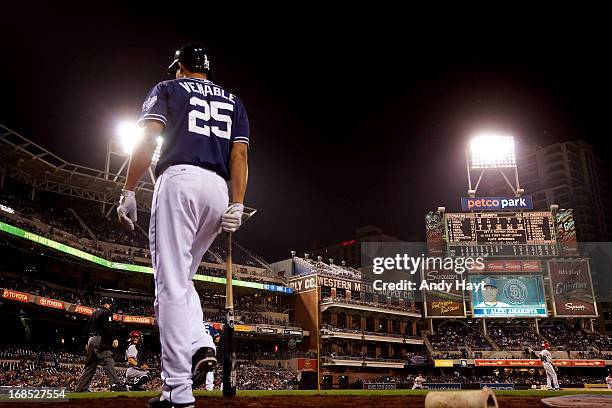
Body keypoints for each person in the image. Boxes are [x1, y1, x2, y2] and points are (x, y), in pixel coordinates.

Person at [116, 43, 250, 408]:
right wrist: (237, 203)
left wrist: (128, 189)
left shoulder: (168, 88)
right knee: (182, 281)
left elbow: (147, 137)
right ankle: (200, 343)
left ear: (181, 66)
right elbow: (239, 154)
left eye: (176, 66)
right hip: (218, 191)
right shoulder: (234, 101)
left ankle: (177, 391)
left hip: (179, 180)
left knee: (170, 286)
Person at [75, 297, 124, 392]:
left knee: (90, 365)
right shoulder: (107, 312)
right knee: (108, 360)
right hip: (100, 340)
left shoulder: (93, 313)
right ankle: (115, 384)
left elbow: (87, 329)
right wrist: (114, 338)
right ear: (106, 304)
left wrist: (87, 342)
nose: (110, 306)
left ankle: (80, 388)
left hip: (91, 340)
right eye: (110, 304)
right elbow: (108, 326)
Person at [203, 322, 220, 391]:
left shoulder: (195, 322)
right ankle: (209, 387)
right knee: (209, 368)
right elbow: (217, 338)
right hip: (210, 347)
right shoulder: (210, 324)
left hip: (198, 346)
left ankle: (189, 386)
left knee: (192, 365)